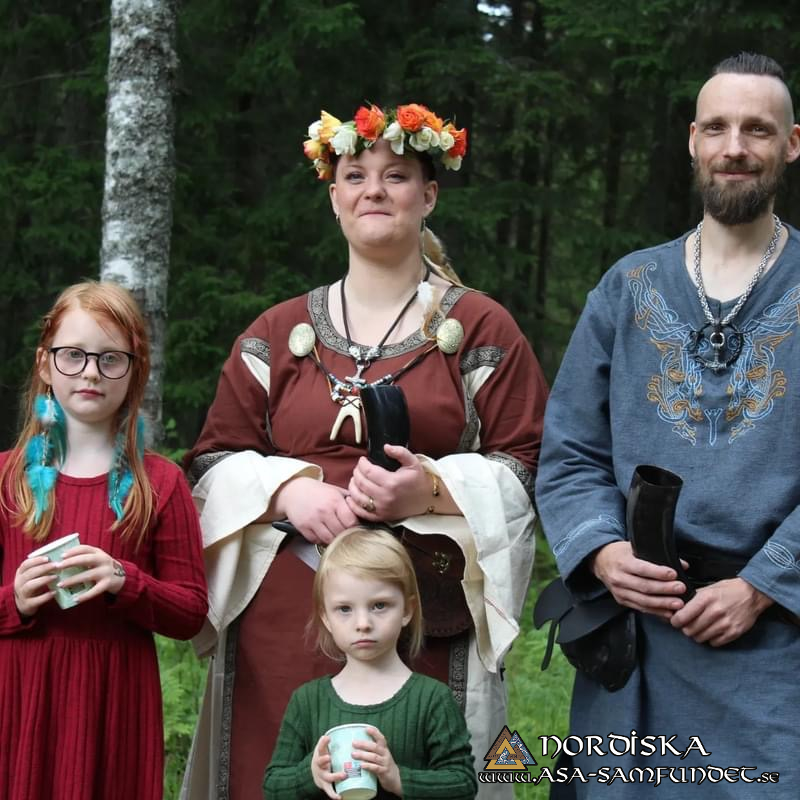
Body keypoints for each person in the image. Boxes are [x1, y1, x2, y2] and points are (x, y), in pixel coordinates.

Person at [181, 102, 548, 800]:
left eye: (398, 175)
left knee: (420, 773)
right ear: (334, 198)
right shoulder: (276, 330)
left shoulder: (479, 326)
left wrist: (431, 489)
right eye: (356, 174)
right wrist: (288, 489)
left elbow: (530, 461)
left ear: (429, 194)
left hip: (420, 616)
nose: (374, 190)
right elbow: (212, 457)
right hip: (290, 617)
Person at [535, 52, 800, 797]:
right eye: (717, 127)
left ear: (791, 143)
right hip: (639, 643)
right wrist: (602, 552)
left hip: (775, 650)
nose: (735, 147)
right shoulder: (628, 287)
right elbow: (571, 454)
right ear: (693, 140)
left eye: (757, 129)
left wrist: (763, 586)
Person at [0, 281, 209, 800]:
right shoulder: (5, 479)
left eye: (111, 358)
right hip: (19, 696)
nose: (91, 371)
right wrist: (15, 601)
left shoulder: (160, 483)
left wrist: (126, 581)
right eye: (73, 355)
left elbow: (190, 613)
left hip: (116, 701)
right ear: (45, 365)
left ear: (135, 372)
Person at [263, 526, 477, 799]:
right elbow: (273, 786)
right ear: (326, 618)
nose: (363, 624)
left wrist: (398, 778)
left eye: (379, 605)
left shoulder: (433, 699)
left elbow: (463, 784)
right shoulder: (307, 702)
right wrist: (310, 774)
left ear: (407, 610)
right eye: (344, 609)